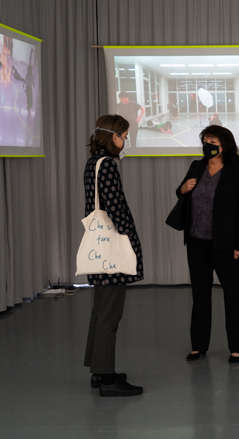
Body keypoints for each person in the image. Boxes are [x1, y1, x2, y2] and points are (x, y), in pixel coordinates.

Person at [175, 125, 239, 364]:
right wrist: (182, 189)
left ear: (225, 146)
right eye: (205, 141)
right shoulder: (196, 166)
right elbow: (182, 192)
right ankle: (198, 345)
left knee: (233, 294)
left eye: (213, 142)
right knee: (200, 295)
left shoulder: (238, 171)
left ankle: (238, 347)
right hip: (196, 242)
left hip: (227, 245)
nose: (207, 145)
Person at [83, 114, 144, 397]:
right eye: (124, 136)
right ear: (113, 136)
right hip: (111, 248)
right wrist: (129, 235)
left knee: (101, 311)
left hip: (99, 246)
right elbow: (115, 206)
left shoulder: (93, 161)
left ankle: (99, 369)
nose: (126, 141)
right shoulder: (107, 164)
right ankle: (107, 378)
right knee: (110, 313)